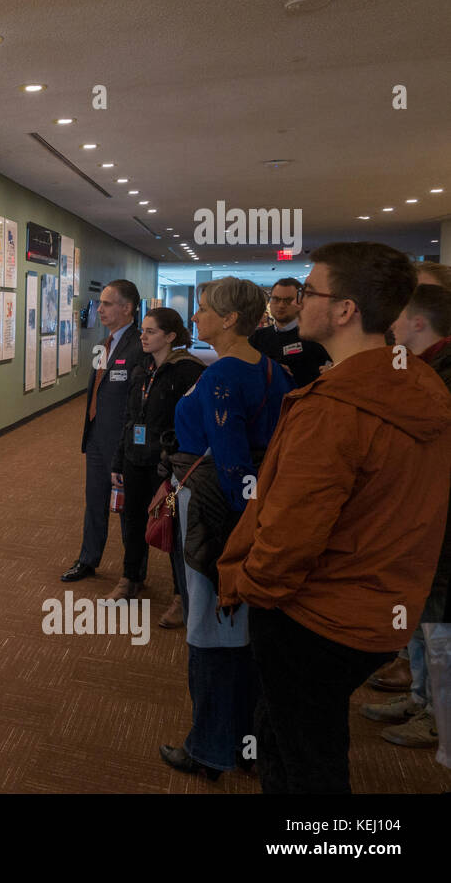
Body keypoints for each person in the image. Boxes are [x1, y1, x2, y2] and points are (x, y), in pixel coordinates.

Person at [217, 243, 451, 793]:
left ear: (345, 310)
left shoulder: (334, 407)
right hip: (378, 605)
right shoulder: (419, 385)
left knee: (298, 758)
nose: (298, 301)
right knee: (311, 743)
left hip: (313, 615)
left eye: (310, 291)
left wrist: (250, 587)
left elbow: (290, 536)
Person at [158, 277, 293, 780]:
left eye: (202, 309)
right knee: (244, 633)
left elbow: (236, 467)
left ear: (230, 318)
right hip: (251, 507)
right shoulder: (274, 371)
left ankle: (211, 749)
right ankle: (247, 745)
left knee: (212, 631)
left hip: (219, 510)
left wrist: (239, 538)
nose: (195, 317)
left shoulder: (222, 376)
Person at [359, 283, 451, 747]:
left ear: (418, 321)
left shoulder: (442, 375)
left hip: (439, 522)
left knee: (438, 624)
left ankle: (441, 716)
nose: (390, 324)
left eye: (398, 316)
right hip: (417, 519)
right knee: (419, 615)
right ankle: (420, 697)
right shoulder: (420, 367)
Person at [110, 307, 206, 618]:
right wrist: (119, 461)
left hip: (169, 466)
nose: (143, 336)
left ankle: (182, 595)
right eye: (143, 331)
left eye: (151, 332)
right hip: (136, 460)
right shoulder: (142, 369)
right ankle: (131, 578)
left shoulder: (189, 372)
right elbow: (129, 419)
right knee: (134, 522)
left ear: (170, 336)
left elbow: (194, 425)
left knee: (175, 530)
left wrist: (177, 462)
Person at [62, 279, 148, 583]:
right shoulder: (103, 344)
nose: (99, 309)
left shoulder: (139, 347)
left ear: (127, 308)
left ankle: (133, 572)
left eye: (107, 304)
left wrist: (130, 443)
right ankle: (88, 559)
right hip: (97, 436)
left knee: (129, 509)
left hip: (123, 443)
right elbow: (98, 389)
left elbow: (139, 402)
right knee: (95, 500)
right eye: (100, 303)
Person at [249, 277, 332, 388]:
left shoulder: (316, 335)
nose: (281, 305)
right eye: (276, 299)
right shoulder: (257, 338)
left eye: (288, 300)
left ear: (300, 302)